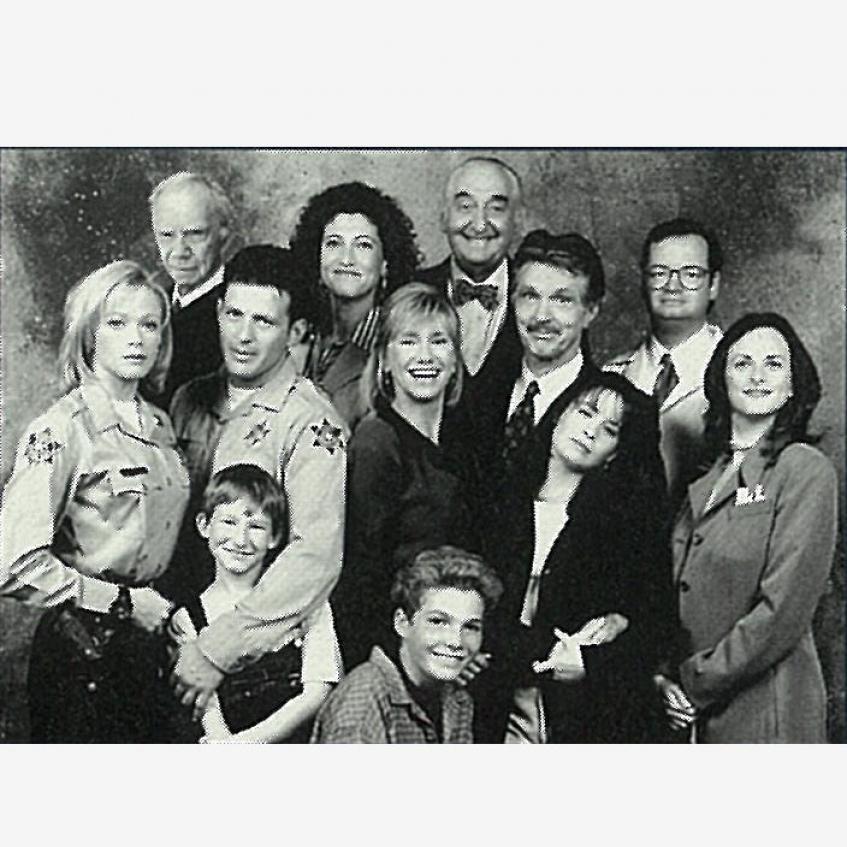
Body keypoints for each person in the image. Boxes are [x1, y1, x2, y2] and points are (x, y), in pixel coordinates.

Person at [0, 260, 188, 742]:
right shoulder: (62, 429)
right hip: (82, 648)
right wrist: (121, 602)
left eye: (150, 325)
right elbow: (13, 564)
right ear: (89, 333)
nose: (136, 339)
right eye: (117, 323)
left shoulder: (161, 426)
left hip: (148, 641)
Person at [168, 244, 346, 721]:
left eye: (264, 322)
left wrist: (217, 650)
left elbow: (315, 556)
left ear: (294, 331)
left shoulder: (311, 422)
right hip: (176, 625)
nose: (243, 336)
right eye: (233, 315)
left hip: (254, 660)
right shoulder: (188, 400)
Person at [657, 313, 837, 743]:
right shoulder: (704, 478)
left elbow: (781, 612)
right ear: (721, 379)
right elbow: (671, 592)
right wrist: (662, 679)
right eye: (742, 363)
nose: (757, 376)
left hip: (767, 712)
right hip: (692, 715)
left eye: (773, 364)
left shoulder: (804, 469)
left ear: (793, 384)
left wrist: (693, 682)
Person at [479, 372, 672, 743]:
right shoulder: (495, 500)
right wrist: (546, 650)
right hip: (491, 692)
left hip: (575, 711)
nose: (591, 431)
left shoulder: (624, 527)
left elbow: (653, 629)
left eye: (609, 430)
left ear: (614, 453)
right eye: (585, 413)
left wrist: (591, 663)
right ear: (558, 414)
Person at [330, 283, 479, 670]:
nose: (425, 355)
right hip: (396, 656)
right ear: (384, 358)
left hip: (454, 646)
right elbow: (361, 581)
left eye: (439, 341)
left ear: (455, 359)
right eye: (409, 341)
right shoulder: (376, 443)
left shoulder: (465, 441)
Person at [169, 464, 341, 743]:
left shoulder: (306, 602)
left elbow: (317, 691)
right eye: (229, 522)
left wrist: (245, 746)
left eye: (257, 527)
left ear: (275, 537)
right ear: (203, 525)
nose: (241, 540)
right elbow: (208, 711)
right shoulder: (187, 619)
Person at [472, 229, 606, 525]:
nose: (542, 316)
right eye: (530, 296)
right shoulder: (478, 395)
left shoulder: (621, 410)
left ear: (591, 311)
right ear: (512, 301)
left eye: (562, 300)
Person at [312, 546, 503, 744]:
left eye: (471, 627)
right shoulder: (362, 704)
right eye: (438, 621)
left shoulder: (456, 699)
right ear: (402, 623)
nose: (456, 641)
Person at [606, 218, 723, 508]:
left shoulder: (739, 374)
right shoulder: (610, 377)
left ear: (713, 285)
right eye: (659, 273)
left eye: (691, 274)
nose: (672, 285)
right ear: (643, 283)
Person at [288, 181, 421, 431]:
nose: (346, 259)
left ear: (386, 263)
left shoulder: (397, 343)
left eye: (363, 245)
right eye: (334, 243)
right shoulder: (300, 336)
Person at [418, 156, 524, 410]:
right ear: (443, 217)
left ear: (517, 221)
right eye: (465, 206)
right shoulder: (410, 290)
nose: (479, 224)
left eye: (496, 209)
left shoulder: (540, 296)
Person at [149, 172, 240, 404]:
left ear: (224, 232)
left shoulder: (239, 313)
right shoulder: (151, 304)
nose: (180, 251)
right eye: (166, 235)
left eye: (195, 234)